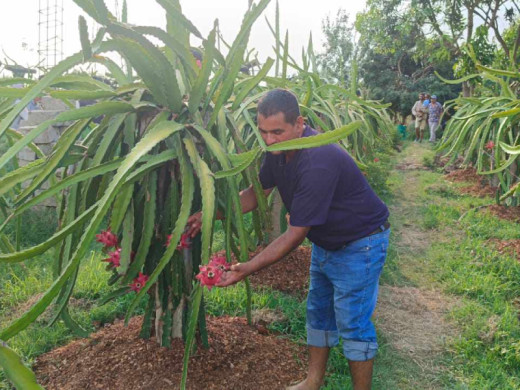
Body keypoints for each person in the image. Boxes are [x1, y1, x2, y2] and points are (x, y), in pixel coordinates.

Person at [187, 89, 390, 390]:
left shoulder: (317, 159)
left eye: (277, 132)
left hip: (361, 243)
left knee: (352, 322)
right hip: (327, 242)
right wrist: (209, 213)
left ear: (299, 124)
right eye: (263, 132)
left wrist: (248, 268)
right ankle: (313, 381)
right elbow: (256, 194)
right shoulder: (279, 152)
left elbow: (295, 234)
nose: (269, 140)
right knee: (318, 312)